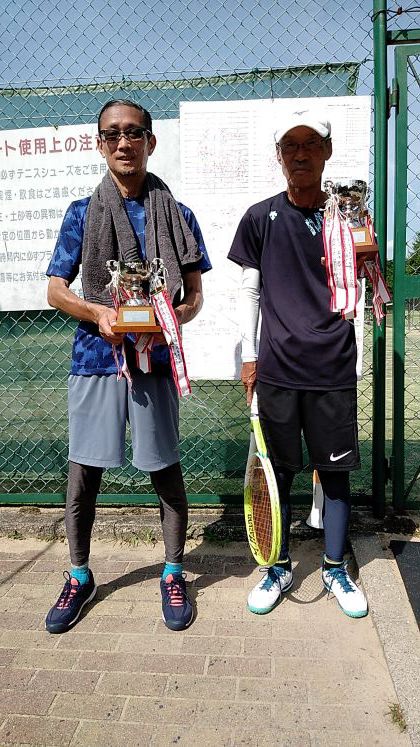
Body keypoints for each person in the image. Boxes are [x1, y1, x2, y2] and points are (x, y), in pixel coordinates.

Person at [45, 99, 211, 634]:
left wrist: (171, 318)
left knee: (164, 467)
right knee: (84, 473)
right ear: (100, 144)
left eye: (134, 132)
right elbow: (55, 290)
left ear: (150, 142)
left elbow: (195, 295)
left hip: (154, 361)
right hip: (96, 358)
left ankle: (173, 571)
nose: (124, 142)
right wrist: (98, 313)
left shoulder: (178, 214)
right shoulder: (81, 213)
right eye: (113, 133)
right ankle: (78, 574)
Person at [228, 110, 368, 619]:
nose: (301, 154)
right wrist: (249, 358)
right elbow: (250, 291)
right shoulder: (259, 217)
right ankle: (278, 568)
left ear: (327, 152)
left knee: (335, 474)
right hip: (279, 370)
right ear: (279, 156)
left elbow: (365, 283)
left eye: (311, 144)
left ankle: (334, 568)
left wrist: (356, 359)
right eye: (291, 146)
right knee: (279, 475)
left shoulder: (348, 216)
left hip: (332, 368)